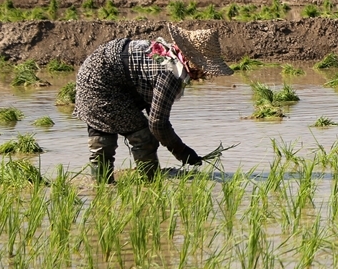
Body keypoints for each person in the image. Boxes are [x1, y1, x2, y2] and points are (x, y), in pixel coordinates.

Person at [74, 25, 233, 181]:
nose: (204, 75)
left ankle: (100, 186)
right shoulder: (170, 73)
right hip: (101, 84)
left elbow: (155, 111)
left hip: (92, 74)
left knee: (103, 137)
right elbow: (157, 123)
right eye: (204, 69)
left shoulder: (165, 53)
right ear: (192, 61)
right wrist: (182, 152)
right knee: (144, 137)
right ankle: (149, 184)